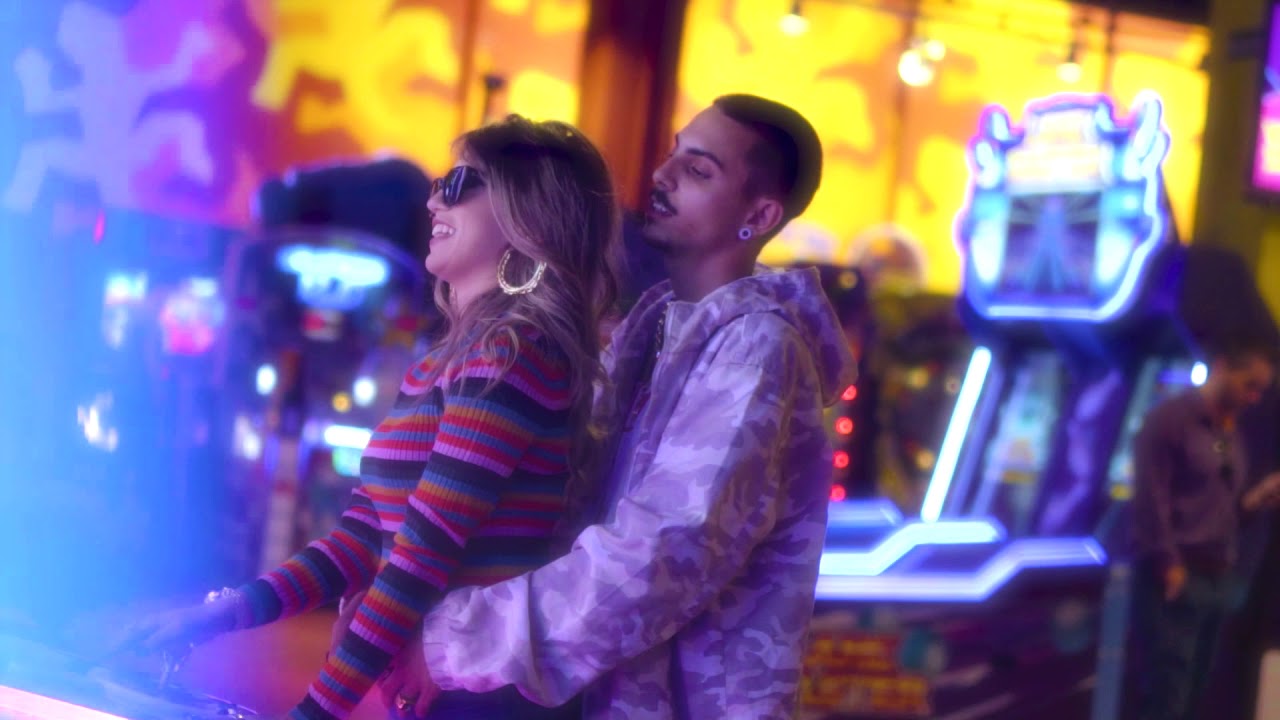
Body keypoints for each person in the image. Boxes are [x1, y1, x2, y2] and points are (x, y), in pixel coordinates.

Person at [372, 94, 858, 719]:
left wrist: (452, 643)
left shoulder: (757, 348)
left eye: (699, 169)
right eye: (674, 154)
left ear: (758, 215)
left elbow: (666, 554)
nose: (663, 175)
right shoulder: (649, 326)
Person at [120, 115, 622, 720]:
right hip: (444, 690)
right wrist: (221, 613)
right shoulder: (442, 360)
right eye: (438, 182)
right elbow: (362, 539)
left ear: (528, 217)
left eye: (460, 183)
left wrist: (318, 711)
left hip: (481, 699)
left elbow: (419, 557)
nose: (434, 199)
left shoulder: (513, 352)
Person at [1131, 337, 1280, 720]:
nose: (1254, 398)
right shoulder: (1170, 420)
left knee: (1194, 692)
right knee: (1168, 694)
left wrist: (1257, 498)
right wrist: (1168, 564)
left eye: (1261, 391)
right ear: (1222, 367)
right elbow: (1150, 499)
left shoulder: (1229, 431)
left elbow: (1223, 508)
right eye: (1249, 385)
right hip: (1179, 574)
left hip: (1217, 576)